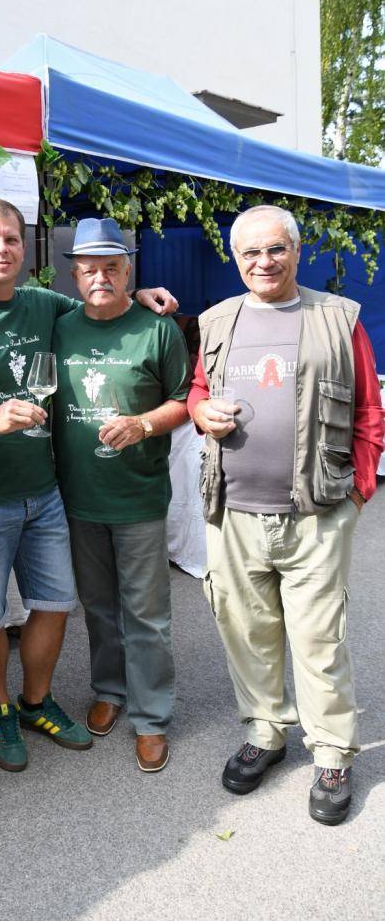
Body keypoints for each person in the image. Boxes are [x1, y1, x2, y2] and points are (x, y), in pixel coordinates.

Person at [0, 197, 177, 772]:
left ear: (25, 250)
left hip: (46, 493)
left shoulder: (43, 304)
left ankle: (37, 701)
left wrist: (146, 293)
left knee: (54, 604)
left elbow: (103, 294)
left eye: (12, 239)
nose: (2, 249)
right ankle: (1, 709)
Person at [188, 204, 383, 825]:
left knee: (318, 638)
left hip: (317, 513)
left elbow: (369, 414)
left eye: (275, 250)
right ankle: (266, 731)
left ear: (297, 252)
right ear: (236, 258)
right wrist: (198, 412)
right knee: (246, 631)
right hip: (234, 513)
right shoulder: (218, 320)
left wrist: (355, 497)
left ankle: (331, 753)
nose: (263, 262)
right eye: (250, 253)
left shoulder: (336, 318)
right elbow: (196, 389)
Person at [52, 218, 190, 772]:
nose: (100, 276)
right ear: (76, 274)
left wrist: (144, 425)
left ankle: (152, 717)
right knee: (99, 607)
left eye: (112, 266)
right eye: (89, 268)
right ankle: (109, 690)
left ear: (129, 269)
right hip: (80, 495)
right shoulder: (60, 326)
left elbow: (185, 399)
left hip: (137, 495)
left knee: (147, 613)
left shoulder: (159, 329)